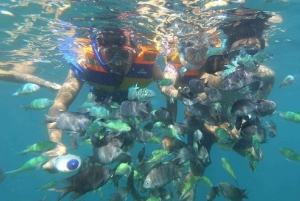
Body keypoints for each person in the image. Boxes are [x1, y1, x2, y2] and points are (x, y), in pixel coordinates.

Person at [43, 28, 163, 171]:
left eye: (124, 55)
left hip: (133, 107)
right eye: (109, 55)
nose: (117, 62)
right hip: (99, 104)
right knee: (99, 142)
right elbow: (59, 106)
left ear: (135, 53)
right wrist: (56, 144)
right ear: (98, 54)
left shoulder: (149, 65)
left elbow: (168, 90)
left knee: (127, 137)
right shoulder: (85, 63)